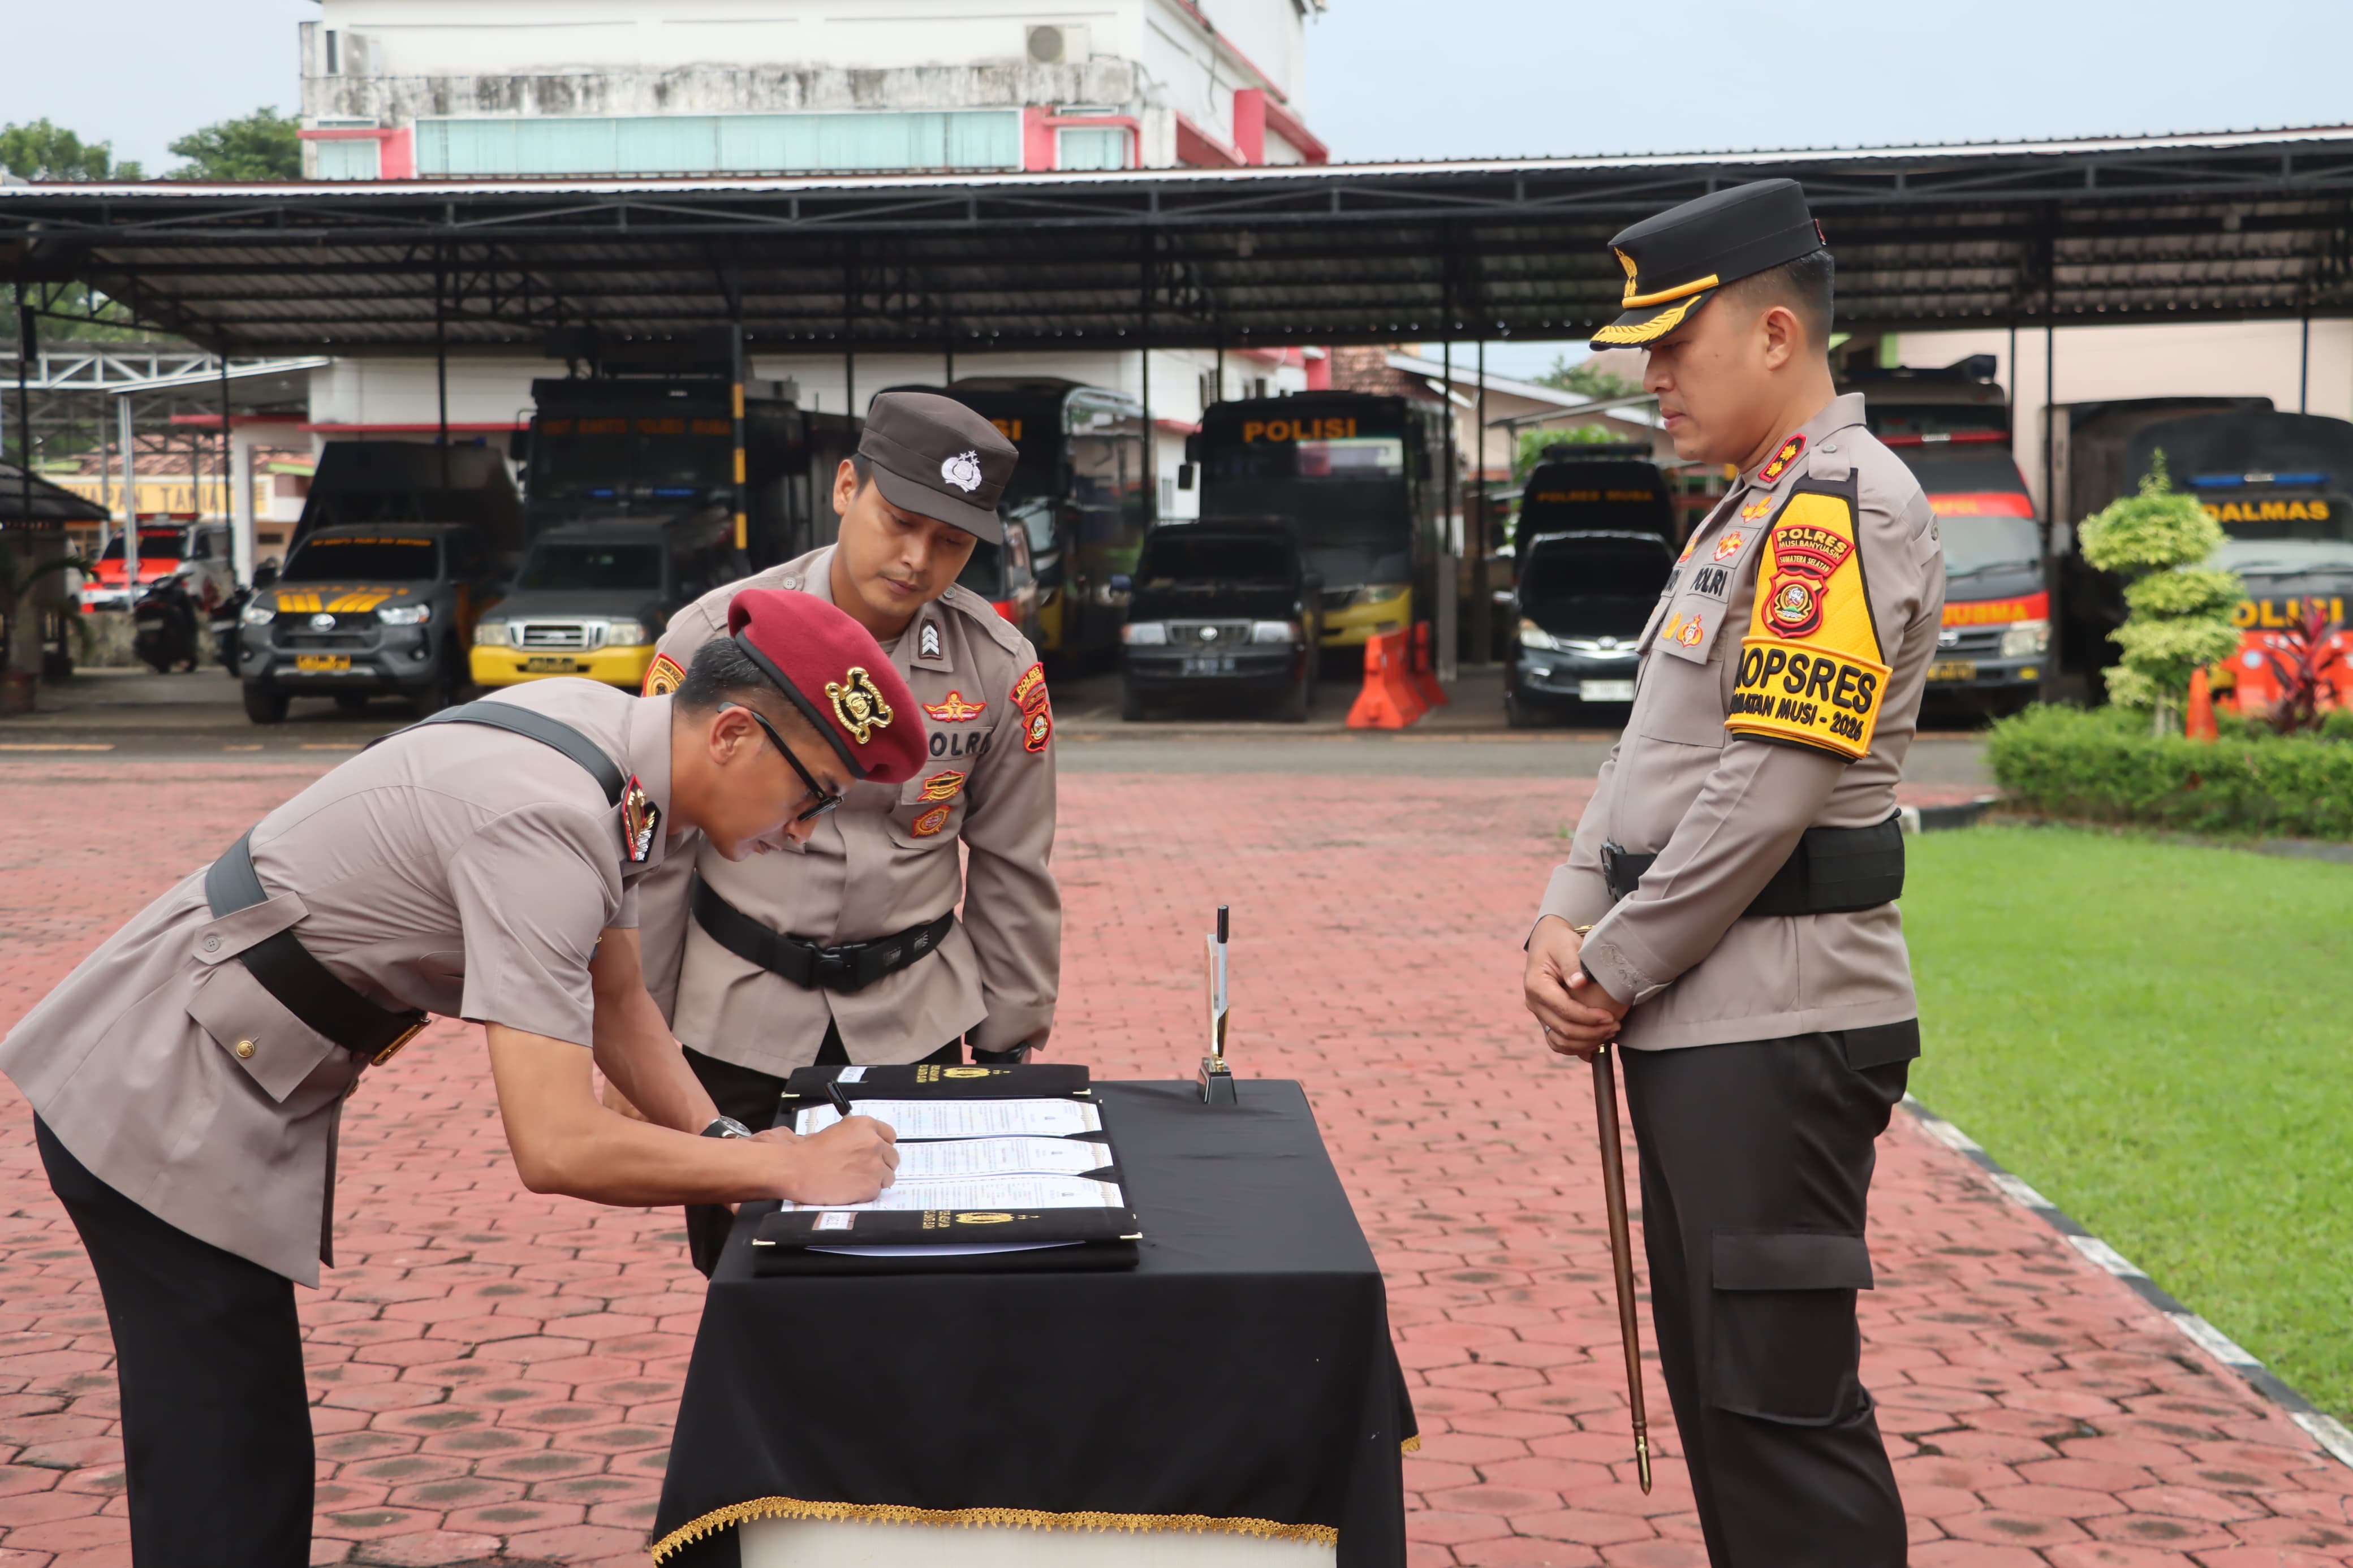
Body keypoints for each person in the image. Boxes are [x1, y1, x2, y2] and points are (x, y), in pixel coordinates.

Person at [0, 588, 928, 1566]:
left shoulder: (607, 746)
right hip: (159, 1080)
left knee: (240, 1436)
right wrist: (781, 1171)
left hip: (216, 1057)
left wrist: (731, 1148)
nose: (805, 830)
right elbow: (557, 1143)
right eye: (814, 792)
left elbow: (619, 1000)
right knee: (225, 1451)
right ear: (735, 732)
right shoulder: (549, 820)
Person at [1520, 179, 1945, 1567]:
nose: (1648, 378)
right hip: (1709, 1016)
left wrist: (1615, 958)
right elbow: (1655, 754)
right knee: (1726, 1399)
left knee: (1779, 1414)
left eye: (1669, 345)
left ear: (1774, 333)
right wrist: (1565, 910)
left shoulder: (1839, 508)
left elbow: (1772, 786)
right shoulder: (1743, 515)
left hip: (1777, 1016)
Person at [632, 391, 1061, 1273]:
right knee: (747, 1278)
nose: (917, 560)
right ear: (843, 488)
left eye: (951, 542)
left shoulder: (996, 668)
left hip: (915, 1016)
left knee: (919, 1277)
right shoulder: (719, 641)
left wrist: (1011, 1037)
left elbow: (1015, 861)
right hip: (737, 1017)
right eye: (899, 522)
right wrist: (639, 1032)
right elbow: (661, 856)